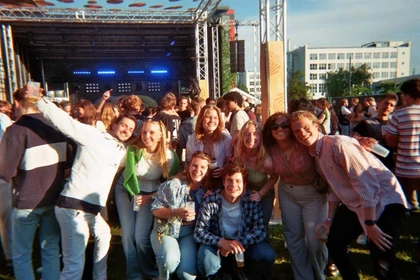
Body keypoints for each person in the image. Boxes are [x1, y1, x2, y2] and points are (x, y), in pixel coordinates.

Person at [290, 110, 407, 280]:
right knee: (335, 243)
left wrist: (370, 223)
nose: (302, 133)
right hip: (359, 204)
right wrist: (329, 220)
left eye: (306, 127)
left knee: (382, 262)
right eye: (296, 131)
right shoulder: (316, 153)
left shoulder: (338, 144)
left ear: (316, 125)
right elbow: (334, 189)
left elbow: (367, 185)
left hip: (385, 201)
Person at [34, 88, 136, 280]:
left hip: (90, 210)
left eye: (131, 129)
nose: (127, 131)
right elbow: (66, 123)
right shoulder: (93, 135)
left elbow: (137, 154)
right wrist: (41, 101)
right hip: (73, 207)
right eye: (124, 126)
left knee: (104, 234)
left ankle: (100, 276)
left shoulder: (121, 150)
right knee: (74, 266)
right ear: (113, 126)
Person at [0, 88, 68, 280]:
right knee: (51, 249)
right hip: (54, 196)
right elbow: (66, 162)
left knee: (22, 253)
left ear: (18, 104)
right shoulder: (56, 126)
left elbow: (5, 171)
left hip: (26, 200)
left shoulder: (16, 131)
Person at [262, 112, 328, 280]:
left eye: (284, 125)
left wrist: (357, 142)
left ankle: (319, 274)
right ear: (270, 131)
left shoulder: (304, 143)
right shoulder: (270, 147)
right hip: (287, 194)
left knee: (316, 240)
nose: (280, 129)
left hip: (313, 194)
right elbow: (247, 144)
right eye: (275, 126)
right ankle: (302, 276)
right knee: (294, 238)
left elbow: (327, 144)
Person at [115, 119, 180, 280]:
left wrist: (150, 197)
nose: (147, 136)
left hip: (151, 194)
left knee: (140, 237)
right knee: (128, 235)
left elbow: (172, 183)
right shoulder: (132, 150)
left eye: (152, 133)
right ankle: (134, 275)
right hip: (126, 190)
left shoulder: (168, 156)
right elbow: (113, 165)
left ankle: (150, 272)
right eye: (144, 132)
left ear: (160, 136)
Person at [194, 163, 276, 280]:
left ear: (245, 184)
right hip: (218, 244)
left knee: (266, 254)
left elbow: (260, 230)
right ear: (223, 182)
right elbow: (199, 232)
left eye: (238, 181)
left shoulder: (251, 200)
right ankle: (216, 275)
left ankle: (247, 273)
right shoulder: (210, 200)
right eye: (229, 180)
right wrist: (222, 242)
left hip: (243, 244)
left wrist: (237, 243)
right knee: (207, 259)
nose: (233, 185)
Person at [150, 151, 212, 280]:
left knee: (187, 276)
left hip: (188, 233)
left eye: (203, 167)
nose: (198, 170)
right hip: (167, 230)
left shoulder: (204, 191)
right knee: (169, 262)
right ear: (188, 166)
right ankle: (161, 277)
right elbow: (155, 209)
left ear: (207, 170)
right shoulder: (174, 185)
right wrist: (175, 212)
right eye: (195, 165)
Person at [231, 120, 278, 228]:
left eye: (256, 134)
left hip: (264, 194)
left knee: (261, 226)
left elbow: (274, 178)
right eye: (247, 134)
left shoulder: (266, 160)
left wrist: (260, 194)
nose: (251, 138)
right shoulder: (238, 155)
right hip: (244, 193)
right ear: (242, 136)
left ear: (260, 137)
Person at [386, 78, 420, 212]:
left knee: (405, 198)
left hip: (406, 166)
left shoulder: (399, 115)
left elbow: (391, 141)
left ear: (406, 96)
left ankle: (410, 209)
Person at [186, 104, 232, 189]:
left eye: (215, 118)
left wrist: (223, 171)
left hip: (221, 183)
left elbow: (230, 163)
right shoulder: (192, 139)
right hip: (199, 182)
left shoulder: (226, 138)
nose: (212, 120)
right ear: (201, 119)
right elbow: (189, 163)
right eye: (208, 117)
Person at [353, 93, 398, 170]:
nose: (388, 107)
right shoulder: (366, 123)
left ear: (394, 108)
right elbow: (353, 140)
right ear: (379, 103)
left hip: (390, 167)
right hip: (370, 165)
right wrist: (360, 140)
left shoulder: (395, 124)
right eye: (386, 103)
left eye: (391, 105)